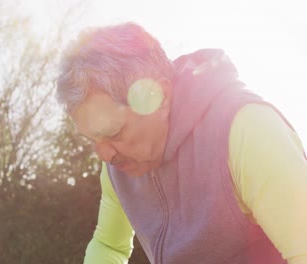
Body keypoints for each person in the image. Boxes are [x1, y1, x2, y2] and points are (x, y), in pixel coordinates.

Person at [56, 22, 307, 264]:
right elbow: (110, 245)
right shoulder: (117, 165)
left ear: (159, 97)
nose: (104, 154)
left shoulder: (246, 129)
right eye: (92, 139)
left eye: (114, 133)